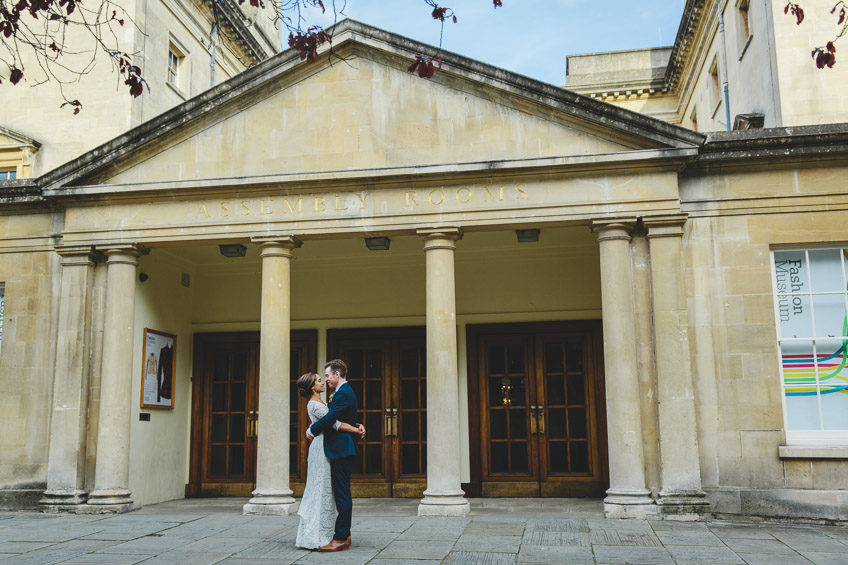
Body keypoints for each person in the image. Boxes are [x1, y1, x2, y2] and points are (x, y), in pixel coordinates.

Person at [295, 371, 364, 550]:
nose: (323, 382)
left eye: (324, 377)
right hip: (322, 449)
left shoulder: (322, 401)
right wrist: (357, 431)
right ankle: (322, 534)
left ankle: (333, 533)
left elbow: (335, 419)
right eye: (319, 380)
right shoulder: (315, 404)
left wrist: (356, 426)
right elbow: (335, 423)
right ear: (312, 387)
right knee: (320, 489)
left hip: (327, 446)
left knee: (326, 490)